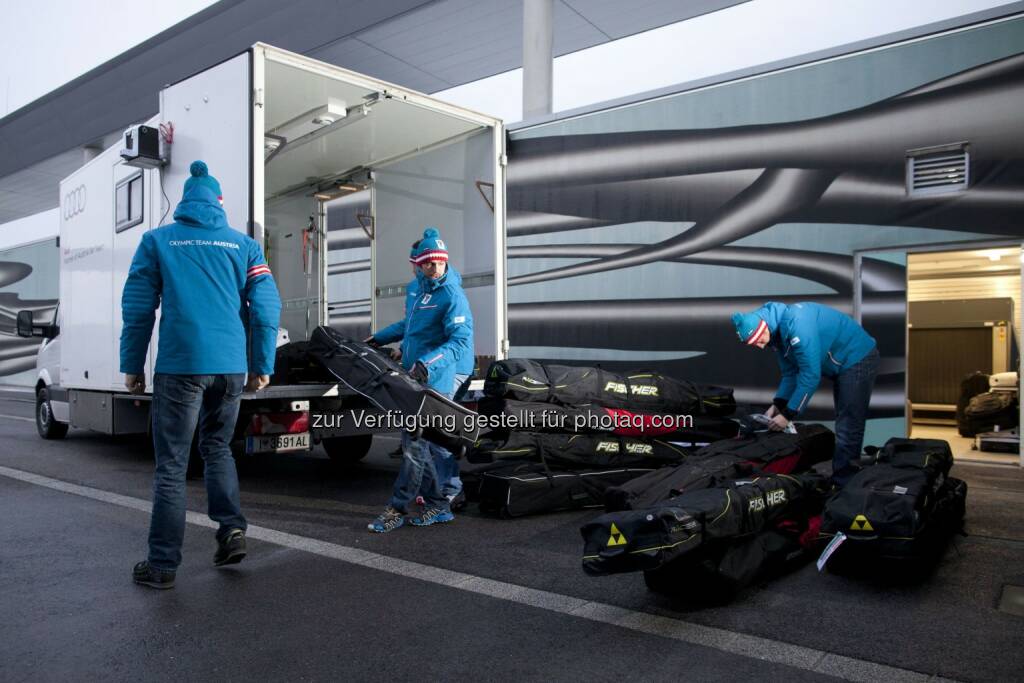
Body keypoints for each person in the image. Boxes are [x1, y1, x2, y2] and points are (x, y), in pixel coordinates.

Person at [120, 161, 282, 589]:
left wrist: (133, 364)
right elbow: (265, 308)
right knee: (217, 448)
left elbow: (138, 308)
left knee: (172, 466)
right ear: (219, 204)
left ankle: (161, 566)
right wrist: (262, 363)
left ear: (186, 203)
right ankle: (230, 529)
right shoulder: (244, 246)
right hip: (230, 366)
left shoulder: (157, 241)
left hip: (180, 365)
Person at [365, 227, 474, 532]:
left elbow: (461, 342)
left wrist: (427, 364)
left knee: (417, 444)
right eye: (427, 263)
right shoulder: (419, 288)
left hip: (436, 377)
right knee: (422, 444)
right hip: (416, 376)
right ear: (416, 264)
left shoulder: (451, 294)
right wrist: (379, 338)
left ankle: (399, 509)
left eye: (439, 263)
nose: (434, 268)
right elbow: (411, 325)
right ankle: (439, 504)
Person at [732, 302, 879, 486]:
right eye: (754, 345)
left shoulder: (797, 324)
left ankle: (843, 484)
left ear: (763, 327)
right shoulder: (775, 334)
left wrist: (788, 414)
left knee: (848, 425)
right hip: (841, 361)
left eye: (759, 341)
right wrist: (778, 404)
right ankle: (842, 478)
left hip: (858, 356)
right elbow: (789, 374)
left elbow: (810, 374)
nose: (760, 347)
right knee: (845, 422)